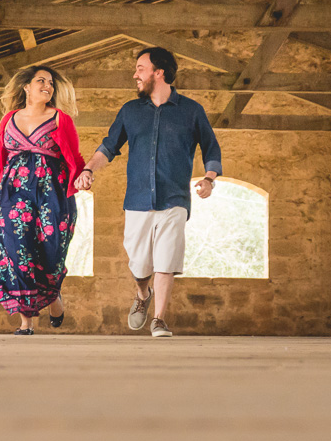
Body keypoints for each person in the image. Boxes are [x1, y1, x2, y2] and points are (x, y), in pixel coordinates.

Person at [74, 47, 222, 338]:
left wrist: (209, 178)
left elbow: (211, 146)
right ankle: (143, 294)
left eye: (140, 68)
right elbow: (108, 147)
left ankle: (159, 320)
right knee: (139, 263)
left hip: (175, 198)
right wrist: (89, 169)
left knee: (167, 259)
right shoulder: (130, 111)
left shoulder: (191, 111)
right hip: (138, 199)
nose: (135, 74)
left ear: (159, 72)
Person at [0, 65, 86, 335]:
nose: (48, 86)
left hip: (52, 191)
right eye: (41, 81)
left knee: (52, 253)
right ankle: (26, 321)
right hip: (13, 192)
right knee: (18, 251)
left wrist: (84, 176)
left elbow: (75, 156)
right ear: (26, 87)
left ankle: (53, 296)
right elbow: (1, 159)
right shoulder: (8, 119)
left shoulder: (60, 118)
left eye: (51, 83)